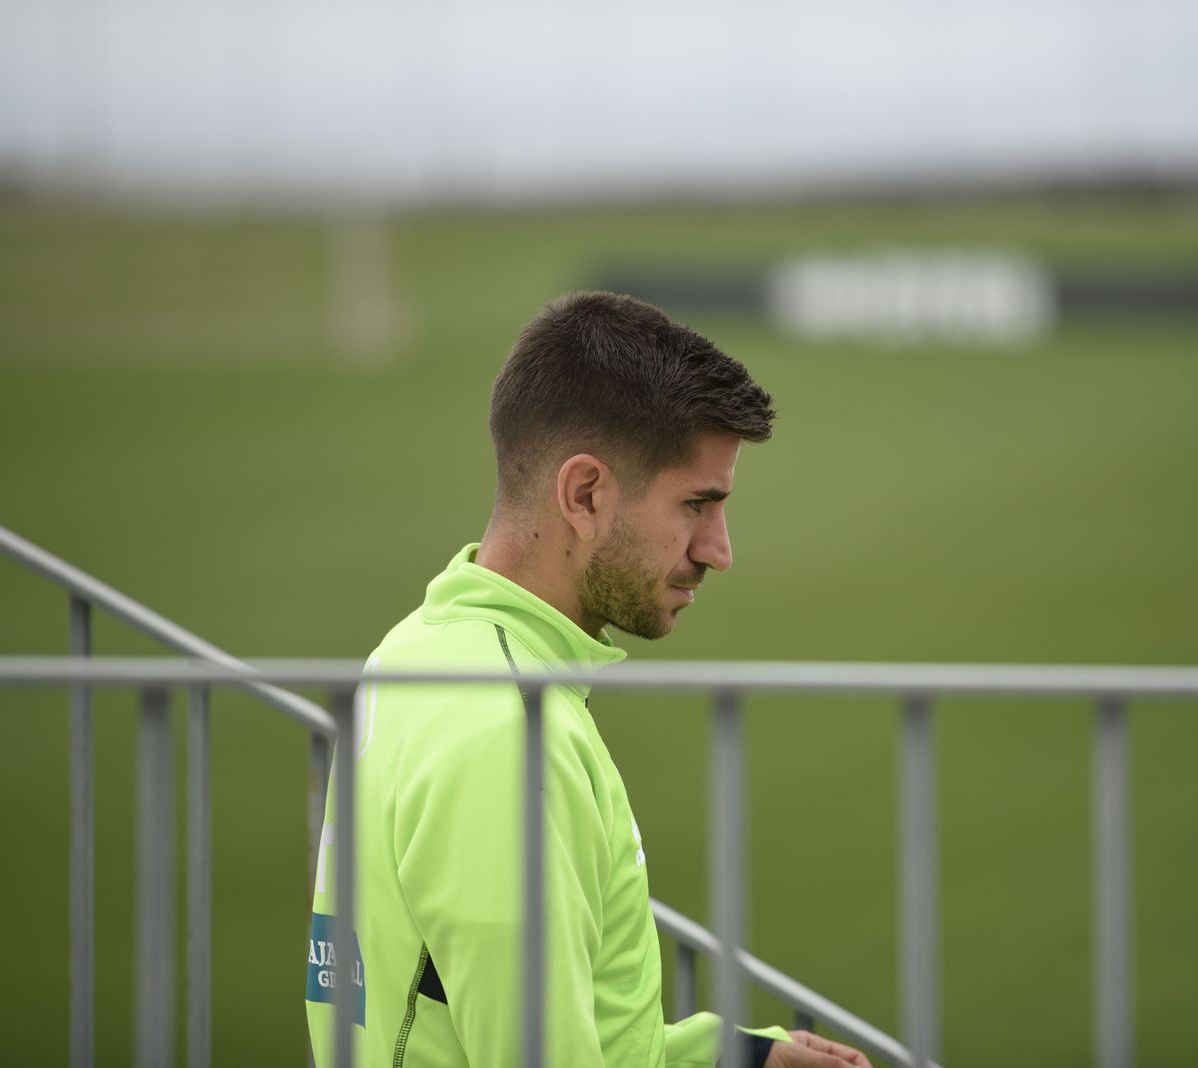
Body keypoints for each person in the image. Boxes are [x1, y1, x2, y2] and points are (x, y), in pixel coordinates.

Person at [306, 292, 872, 1067]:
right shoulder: (507, 731)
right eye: (697, 505)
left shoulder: (418, 648)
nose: (718, 549)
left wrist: (731, 1057)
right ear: (584, 495)